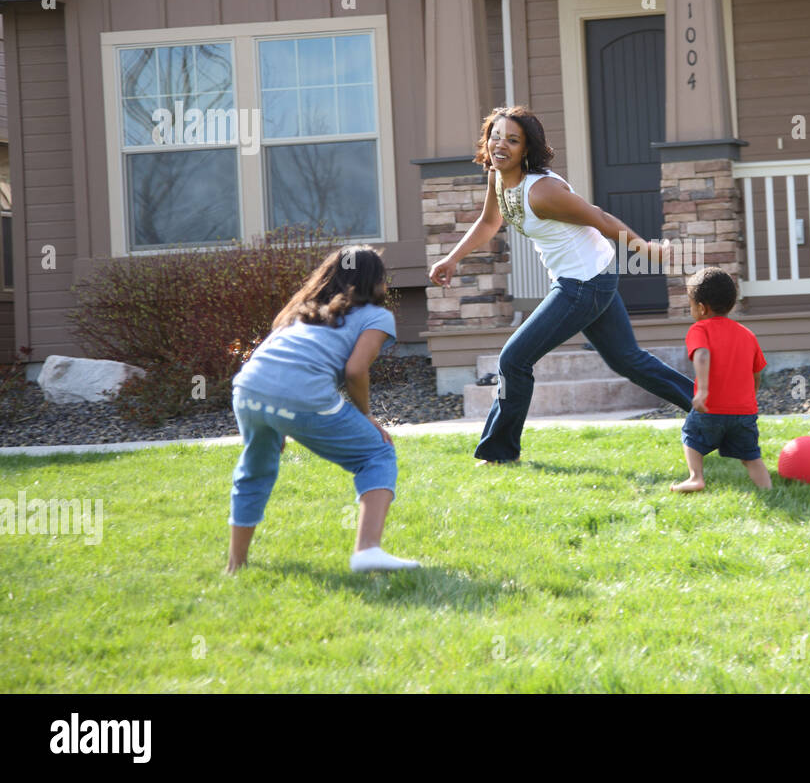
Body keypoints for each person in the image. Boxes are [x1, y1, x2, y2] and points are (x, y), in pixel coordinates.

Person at [429, 105, 694, 465]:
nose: (500, 145)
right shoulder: (497, 176)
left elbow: (599, 217)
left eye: (512, 139)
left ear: (527, 149)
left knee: (514, 359)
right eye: (495, 135)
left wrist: (646, 250)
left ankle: (499, 453)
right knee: (626, 359)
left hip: (584, 283)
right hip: (589, 277)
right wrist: (453, 258)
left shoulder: (543, 191)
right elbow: (490, 222)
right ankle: (711, 409)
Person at [225, 245, 420, 573]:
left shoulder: (298, 312)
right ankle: (367, 551)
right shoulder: (377, 316)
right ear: (374, 282)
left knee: (254, 470)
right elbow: (356, 371)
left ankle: (235, 565)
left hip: (248, 390)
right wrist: (367, 416)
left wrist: (274, 423)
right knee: (376, 453)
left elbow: (272, 363)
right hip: (301, 396)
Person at [671, 267, 771, 493]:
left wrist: (703, 391)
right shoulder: (747, 334)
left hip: (711, 409)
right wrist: (750, 398)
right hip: (744, 412)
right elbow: (757, 374)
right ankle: (768, 489)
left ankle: (696, 477)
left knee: (691, 436)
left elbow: (702, 354)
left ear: (701, 308)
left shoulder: (699, 329)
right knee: (751, 456)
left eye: (690, 305)